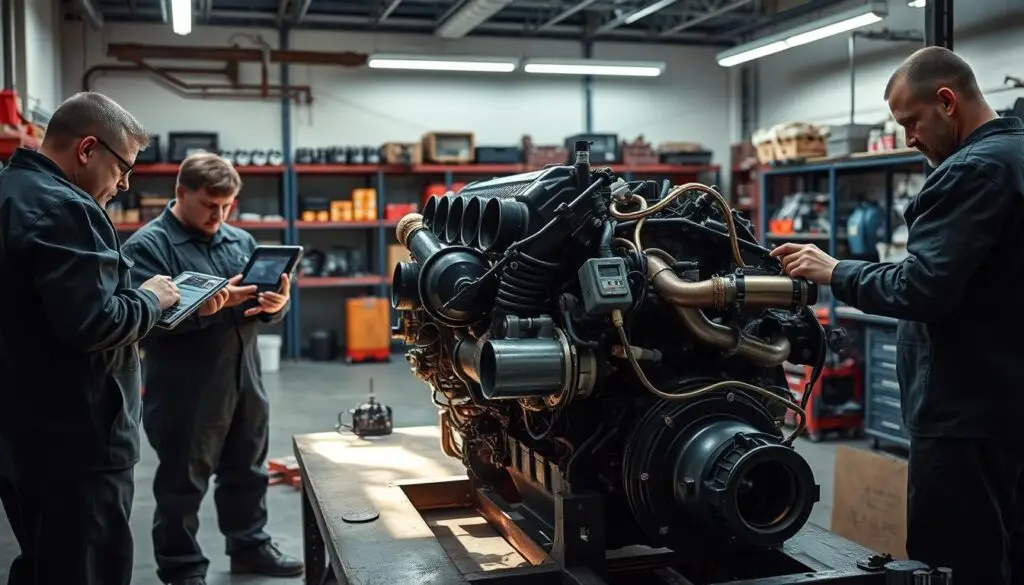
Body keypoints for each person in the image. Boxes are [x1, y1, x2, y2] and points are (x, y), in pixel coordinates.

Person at [770, 47, 1024, 583]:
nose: (909, 138)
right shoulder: (1016, 156)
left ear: (947, 102)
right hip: (1007, 405)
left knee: (956, 563)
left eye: (912, 122)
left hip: (964, 414)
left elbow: (922, 286)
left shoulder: (971, 170)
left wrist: (835, 270)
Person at [0, 92, 181, 585]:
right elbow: (95, 323)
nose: (123, 185)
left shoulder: (9, 191)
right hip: (78, 440)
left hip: (22, 433)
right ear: (86, 150)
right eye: (123, 168)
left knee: (42, 563)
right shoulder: (66, 209)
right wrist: (151, 298)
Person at [121, 151, 303, 585]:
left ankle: (249, 546)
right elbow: (140, 325)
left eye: (228, 206)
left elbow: (261, 307)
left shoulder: (239, 242)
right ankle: (181, 568)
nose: (219, 215)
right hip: (185, 389)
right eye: (209, 205)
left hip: (245, 380)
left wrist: (275, 306)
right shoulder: (148, 247)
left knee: (248, 469)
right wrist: (210, 310)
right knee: (182, 485)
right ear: (181, 193)